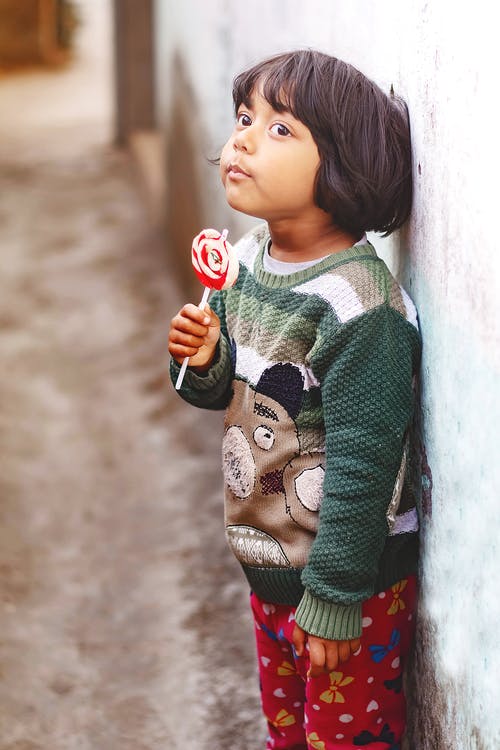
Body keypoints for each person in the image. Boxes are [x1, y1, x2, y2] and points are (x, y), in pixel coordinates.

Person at [168, 49, 421, 750]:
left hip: (347, 588)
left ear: (343, 166)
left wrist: (336, 600)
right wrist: (203, 355)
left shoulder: (359, 307)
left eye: (281, 130)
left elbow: (365, 468)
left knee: (342, 741)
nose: (242, 138)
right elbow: (214, 391)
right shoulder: (246, 260)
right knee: (287, 735)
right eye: (245, 117)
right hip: (269, 568)